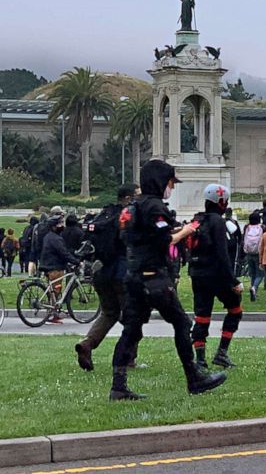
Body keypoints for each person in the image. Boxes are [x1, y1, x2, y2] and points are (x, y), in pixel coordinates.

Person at [108, 159, 226, 400]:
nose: (172, 187)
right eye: (171, 182)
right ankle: (194, 378)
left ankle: (118, 385)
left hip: (133, 276)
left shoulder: (132, 207)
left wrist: (173, 229)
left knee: (130, 330)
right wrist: (187, 230)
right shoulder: (153, 206)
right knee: (182, 324)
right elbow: (165, 240)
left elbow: (141, 236)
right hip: (154, 278)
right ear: (160, 181)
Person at [74, 184, 140, 372]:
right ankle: (128, 358)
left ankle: (87, 344)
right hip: (122, 272)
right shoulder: (128, 216)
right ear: (128, 198)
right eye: (137, 195)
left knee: (109, 312)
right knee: (132, 315)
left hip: (101, 271)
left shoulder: (104, 214)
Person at [188, 184, 244, 370]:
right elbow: (222, 254)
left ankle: (200, 359)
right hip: (216, 275)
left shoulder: (198, 220)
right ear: (221, 202)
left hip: (197, 274)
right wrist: (233, 281)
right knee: (235, 310)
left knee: (202, 315)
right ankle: (221, 352)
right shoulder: (217, 222)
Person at [39, 214, 80, 324]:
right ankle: (53, 313)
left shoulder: (48, 236)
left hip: (47, 265)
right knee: (56, 290)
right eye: (59, 224)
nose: (62, 226)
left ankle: (53, 313)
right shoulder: (56, 239)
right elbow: (64, 253)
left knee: (53, 291)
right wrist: (75, 261)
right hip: (55, 267)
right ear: (54, 226)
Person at [242, 212, 265, 302]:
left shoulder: (247, 227)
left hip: (249, 253)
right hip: (258, 253)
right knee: (260, 274)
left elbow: (243, 239)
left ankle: (254, 291)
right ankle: (254, 288)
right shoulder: (262, 227)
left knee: (253, 274)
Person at [224, 208, 244, 280]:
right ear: (231, 213)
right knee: (232, 259)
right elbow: (238, 234)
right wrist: (239, 242)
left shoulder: (222, 221)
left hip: (224, 243)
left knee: (225, 258)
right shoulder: (234, 222)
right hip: (233, 243)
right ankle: (231, 274)